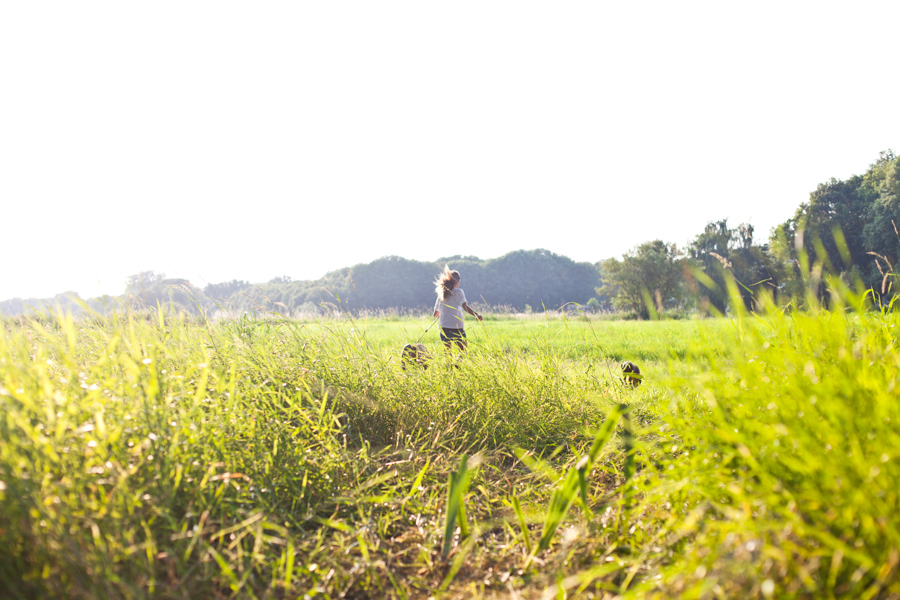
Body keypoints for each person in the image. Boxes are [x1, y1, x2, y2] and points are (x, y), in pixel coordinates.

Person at [433, 266, 482, 352]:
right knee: (463, 352)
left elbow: (435, 314)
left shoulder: (441, 293)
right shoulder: (459, 292)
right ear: (458, 282)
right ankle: (458, 365)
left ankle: (450, 365)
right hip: (456, 328)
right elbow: (465, 307)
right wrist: (476, 314)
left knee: (448, 354)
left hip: (443, 328)